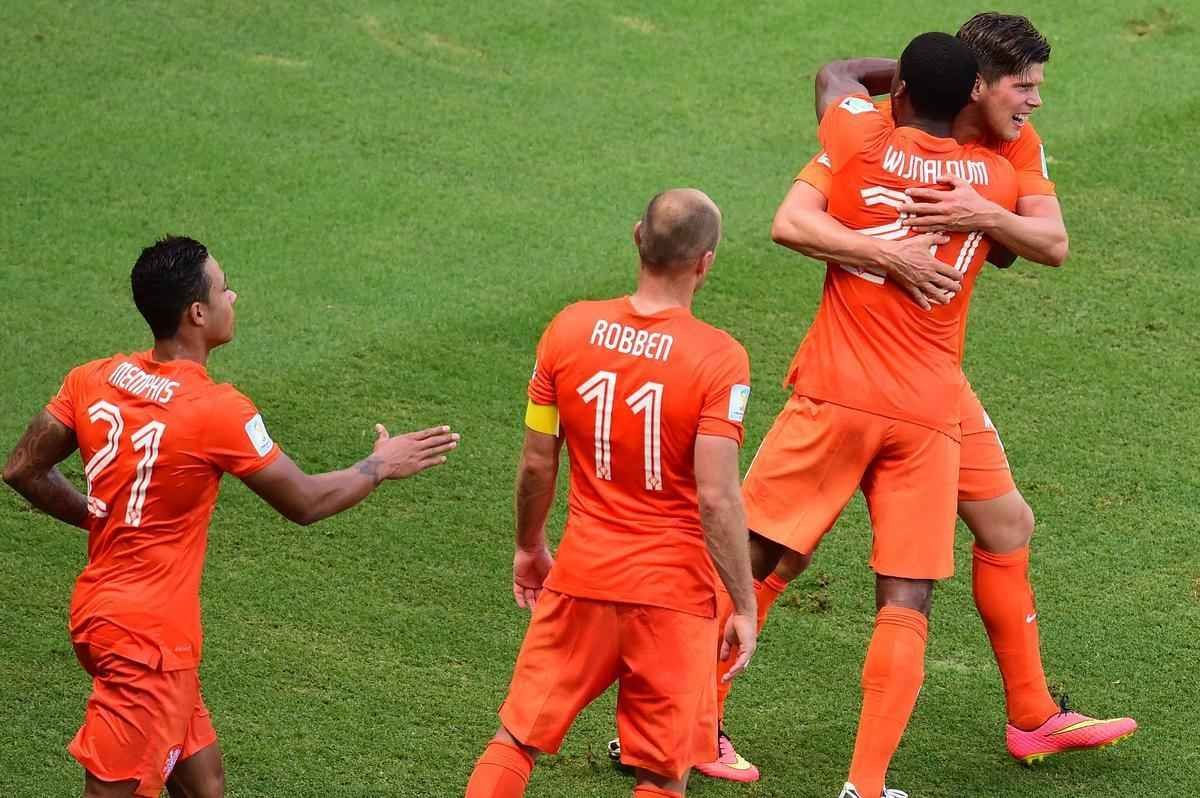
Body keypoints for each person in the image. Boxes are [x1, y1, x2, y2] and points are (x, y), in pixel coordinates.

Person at [702, 13, 1134, 782]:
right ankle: (698, 722)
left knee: (1007, 522)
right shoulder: (974, 160)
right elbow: (1026, 245)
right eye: (1022, 87)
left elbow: (1050, 242)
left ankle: (1032, 714)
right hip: (911, 391)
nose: (1034, 102)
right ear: (976, 85)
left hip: (923, 382)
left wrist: (979, 215)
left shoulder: (923, 143)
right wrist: (903, 247)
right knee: (834, 572)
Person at [2, 236, 460, 798]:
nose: (233, 296)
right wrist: (379, 465)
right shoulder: (217, 410)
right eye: (224, 288)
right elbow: (306, 501)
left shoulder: (91, 378)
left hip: (105, 615)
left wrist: (101, 519)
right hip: (148, 644)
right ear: (197, 313)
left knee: (204, 782)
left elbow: (22, 468)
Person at [740, 32, 1017, 798]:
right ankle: (865, 786)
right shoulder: (993, 180)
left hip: (836, 392)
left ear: (899, 95)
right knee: (906, 596)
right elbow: (1010, 249)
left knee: (749, 560)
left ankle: (679, 729)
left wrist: (907, 81)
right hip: (927, 414)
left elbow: (834, 72)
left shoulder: (858, 137)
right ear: (971, 99)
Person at [463, 189, 758, 798]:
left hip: (581, 579)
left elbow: (537, 462)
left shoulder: (568, 330)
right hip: (673, 597)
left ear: (636, 237)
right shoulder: (719, 359)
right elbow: (716, 498)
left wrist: (529, 546)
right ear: (705, 263)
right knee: (661, 774)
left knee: (515, 739)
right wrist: (744, 604)